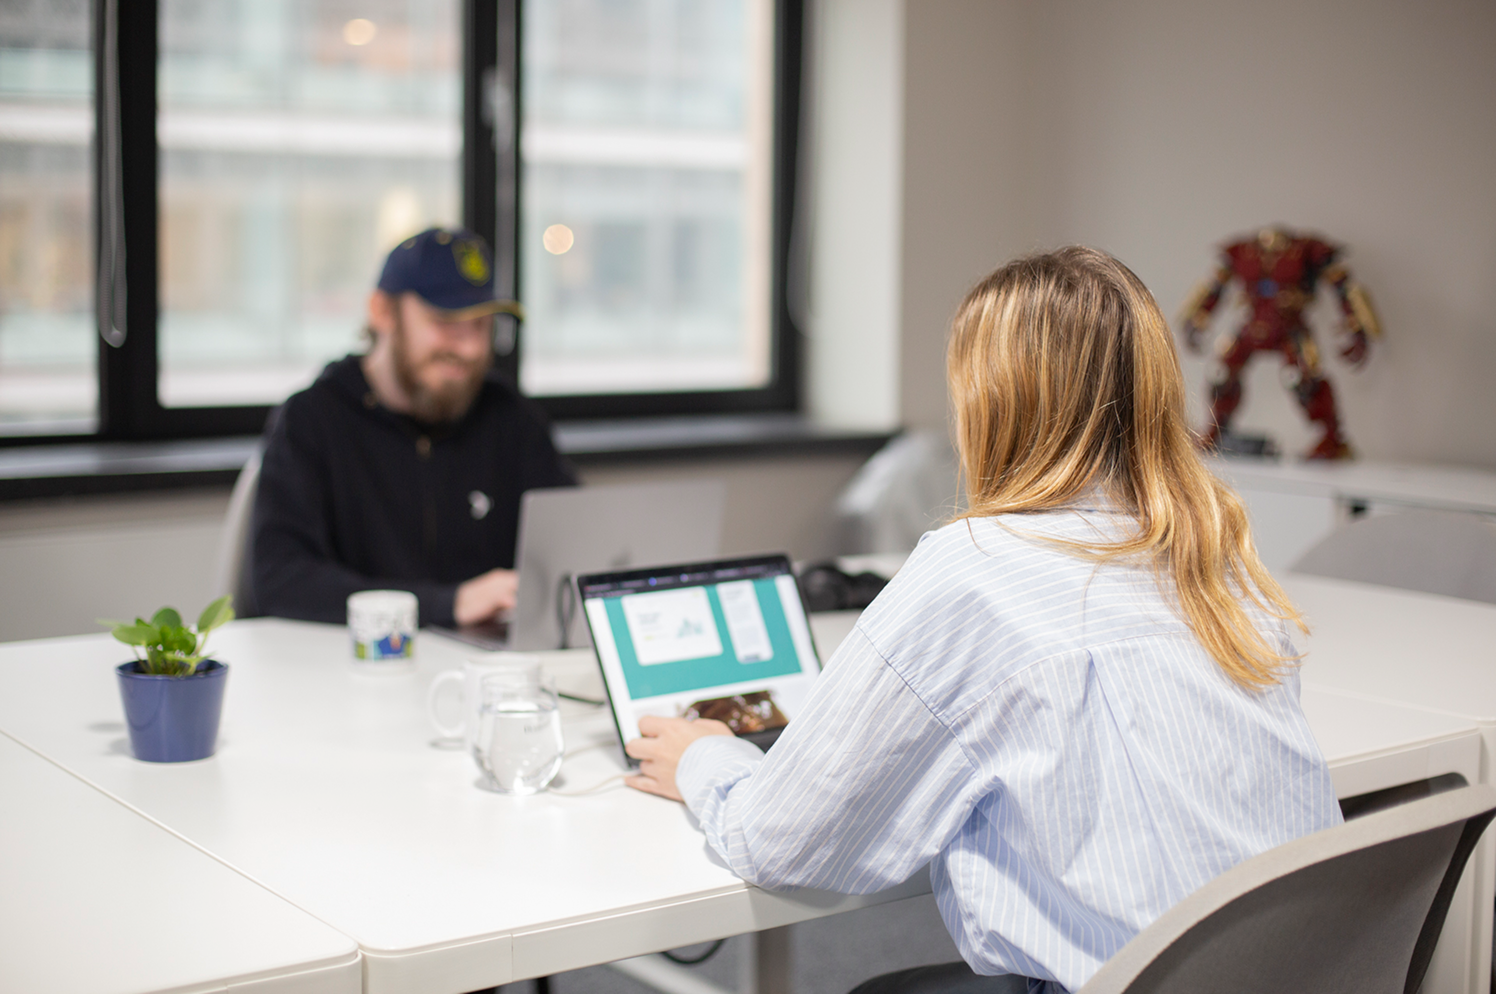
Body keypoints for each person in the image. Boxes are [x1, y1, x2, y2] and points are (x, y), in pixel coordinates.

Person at [623, 248, 1342, 993]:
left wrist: (705, 760)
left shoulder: (976, 567)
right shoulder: (1219, 558)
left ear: (992, 401)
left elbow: (781, 842)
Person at [252, 227, 576, 628]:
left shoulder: (511, 418)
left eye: (482, 325)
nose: (471, 348)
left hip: (490, 671)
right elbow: (279, 581)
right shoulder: (313, 420)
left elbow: (575, 548)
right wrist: (447, 604)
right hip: (355, 672)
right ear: (382, 312)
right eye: (446, 321)